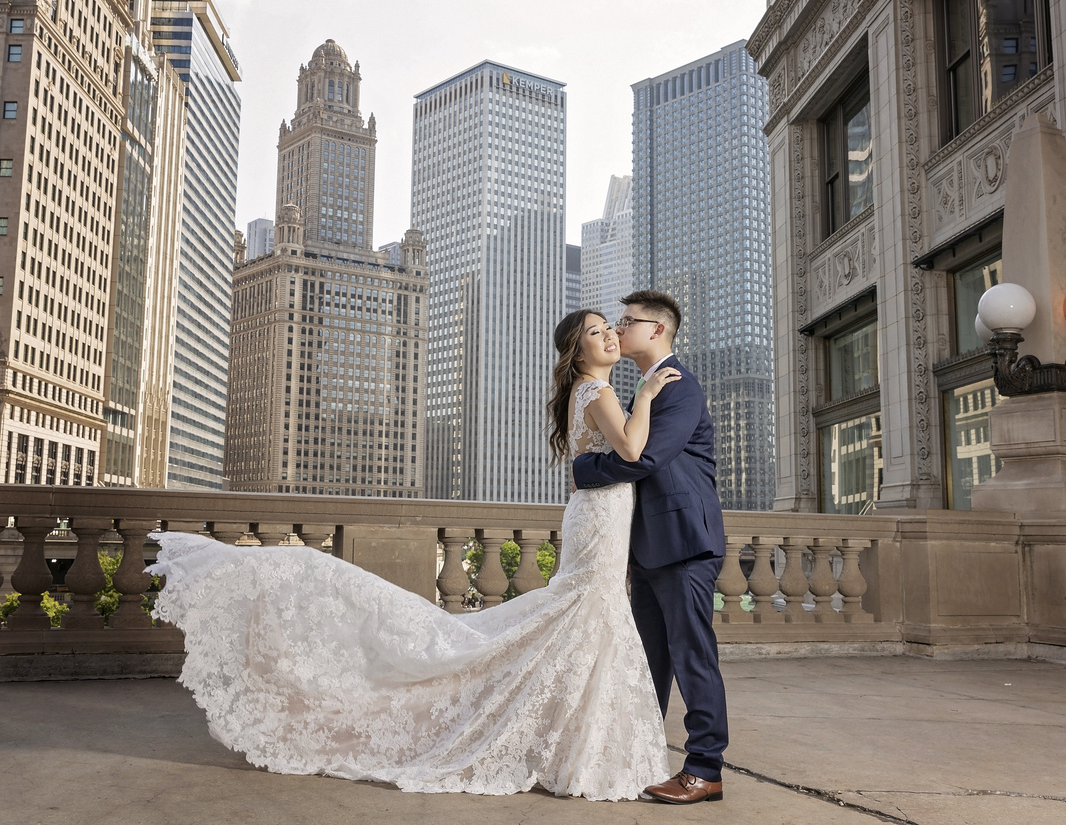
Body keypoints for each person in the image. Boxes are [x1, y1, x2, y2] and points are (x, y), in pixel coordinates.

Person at [145, 309, 680, 801]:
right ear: (577, 351)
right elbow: (633, 451)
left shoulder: (590, 391)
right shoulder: (598, 392)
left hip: (597, 514)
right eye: (595, 331)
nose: (609, 333)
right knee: (587, 611)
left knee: (583, 614)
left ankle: (574, 744)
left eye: (609, 326)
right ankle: (580, 748)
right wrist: (650, 394)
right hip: (600, 515)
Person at [572, 290, 729, 805]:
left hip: (683, 542)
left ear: (657, 330)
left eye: (627, 322)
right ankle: (640, 756)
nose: (618, 330)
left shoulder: (677, 386)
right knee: (648, 662)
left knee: (692, 657)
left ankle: (705, 769)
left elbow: (646, 459)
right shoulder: (642, 386)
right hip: (647, 546)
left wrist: (583, 469)